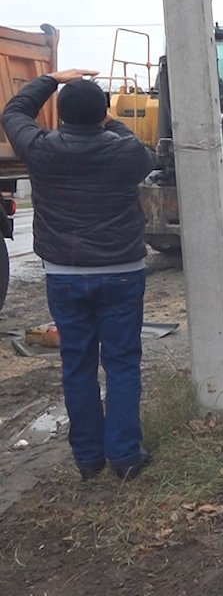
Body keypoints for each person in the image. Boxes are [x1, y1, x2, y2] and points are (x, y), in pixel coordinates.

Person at [1, 69, 156, 480]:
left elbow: (15, 110)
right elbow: (139, 148)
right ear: (104, 112)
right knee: (122, 364)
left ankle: (88, 460)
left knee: (77, 366)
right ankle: (125, 457)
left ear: (61, 115)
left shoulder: (40, 148)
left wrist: (50, 78)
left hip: (64, 275)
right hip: (122, 272)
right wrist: (110, 120)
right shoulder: (127, 153)